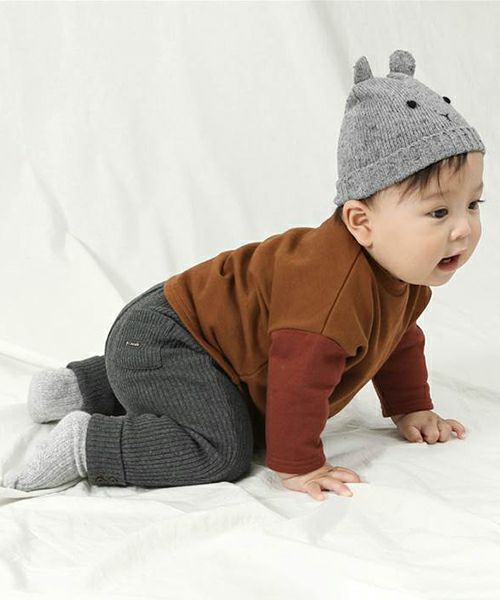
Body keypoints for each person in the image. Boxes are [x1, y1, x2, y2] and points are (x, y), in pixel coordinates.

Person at [3, 49, 486, 502]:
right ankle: (89, 443)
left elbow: (396, 338)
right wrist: (300, 465)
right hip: (165, 339)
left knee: (206, 393)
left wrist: (410, 406)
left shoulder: (399, 273)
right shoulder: (330, 297)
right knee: (221, 449)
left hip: (182, 340)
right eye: (438, 212)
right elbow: (298, 381)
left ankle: (75, 389)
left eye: (473, 203)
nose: (463, 229)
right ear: (361, 222)